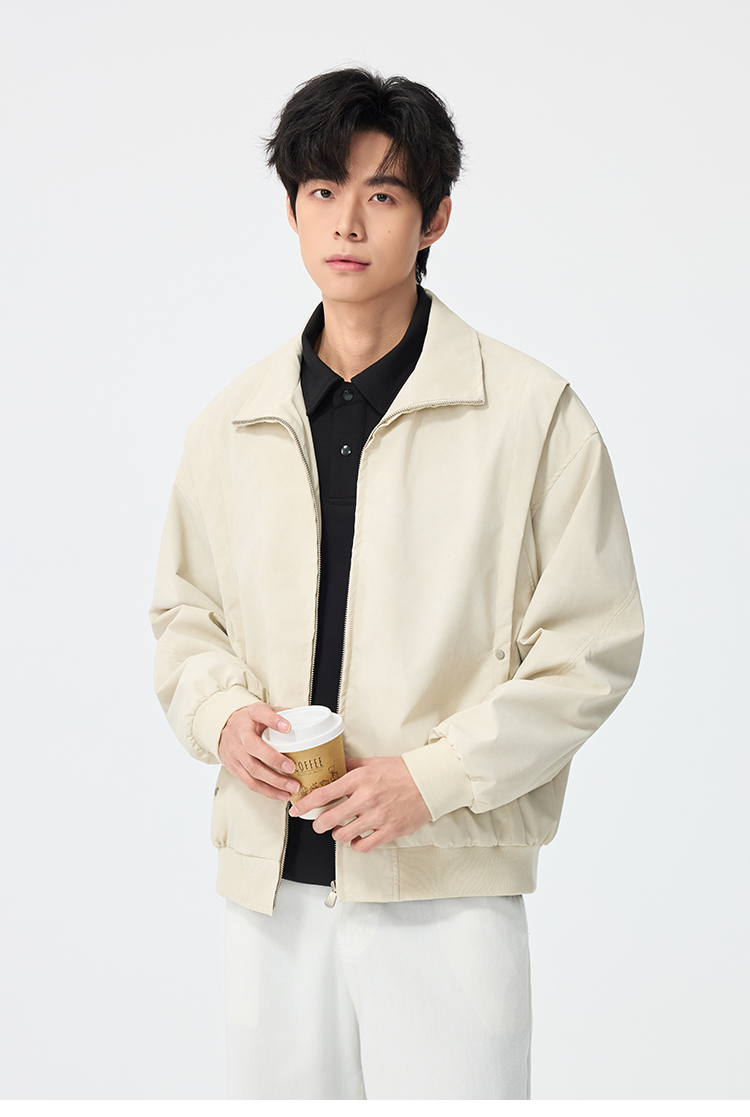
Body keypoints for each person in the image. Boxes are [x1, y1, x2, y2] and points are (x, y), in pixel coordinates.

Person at [149, 68, 644, 1101]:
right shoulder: (230, 423)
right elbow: (185, 616)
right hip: (271, 888)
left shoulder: (531, 417)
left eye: (381, 193)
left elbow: (590, 649)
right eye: (322, 190)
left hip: (442, 884)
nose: (347, 222)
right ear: (292, 210)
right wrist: (222, 713)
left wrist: (433, 777)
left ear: (436, 219)